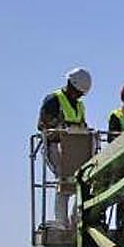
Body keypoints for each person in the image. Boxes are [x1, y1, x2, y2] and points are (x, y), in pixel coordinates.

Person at [37, 67, 92, 228]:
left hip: (76, 148)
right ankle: (61, 221)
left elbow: (83, 125)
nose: (79, 95)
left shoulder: (80, 106)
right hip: (56, 146)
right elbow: (43, 125)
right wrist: (63, 129)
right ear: (70, 85)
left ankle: (75, 219)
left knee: (82, 182)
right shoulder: (53, 100)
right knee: (64, 180)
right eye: (77, 92)